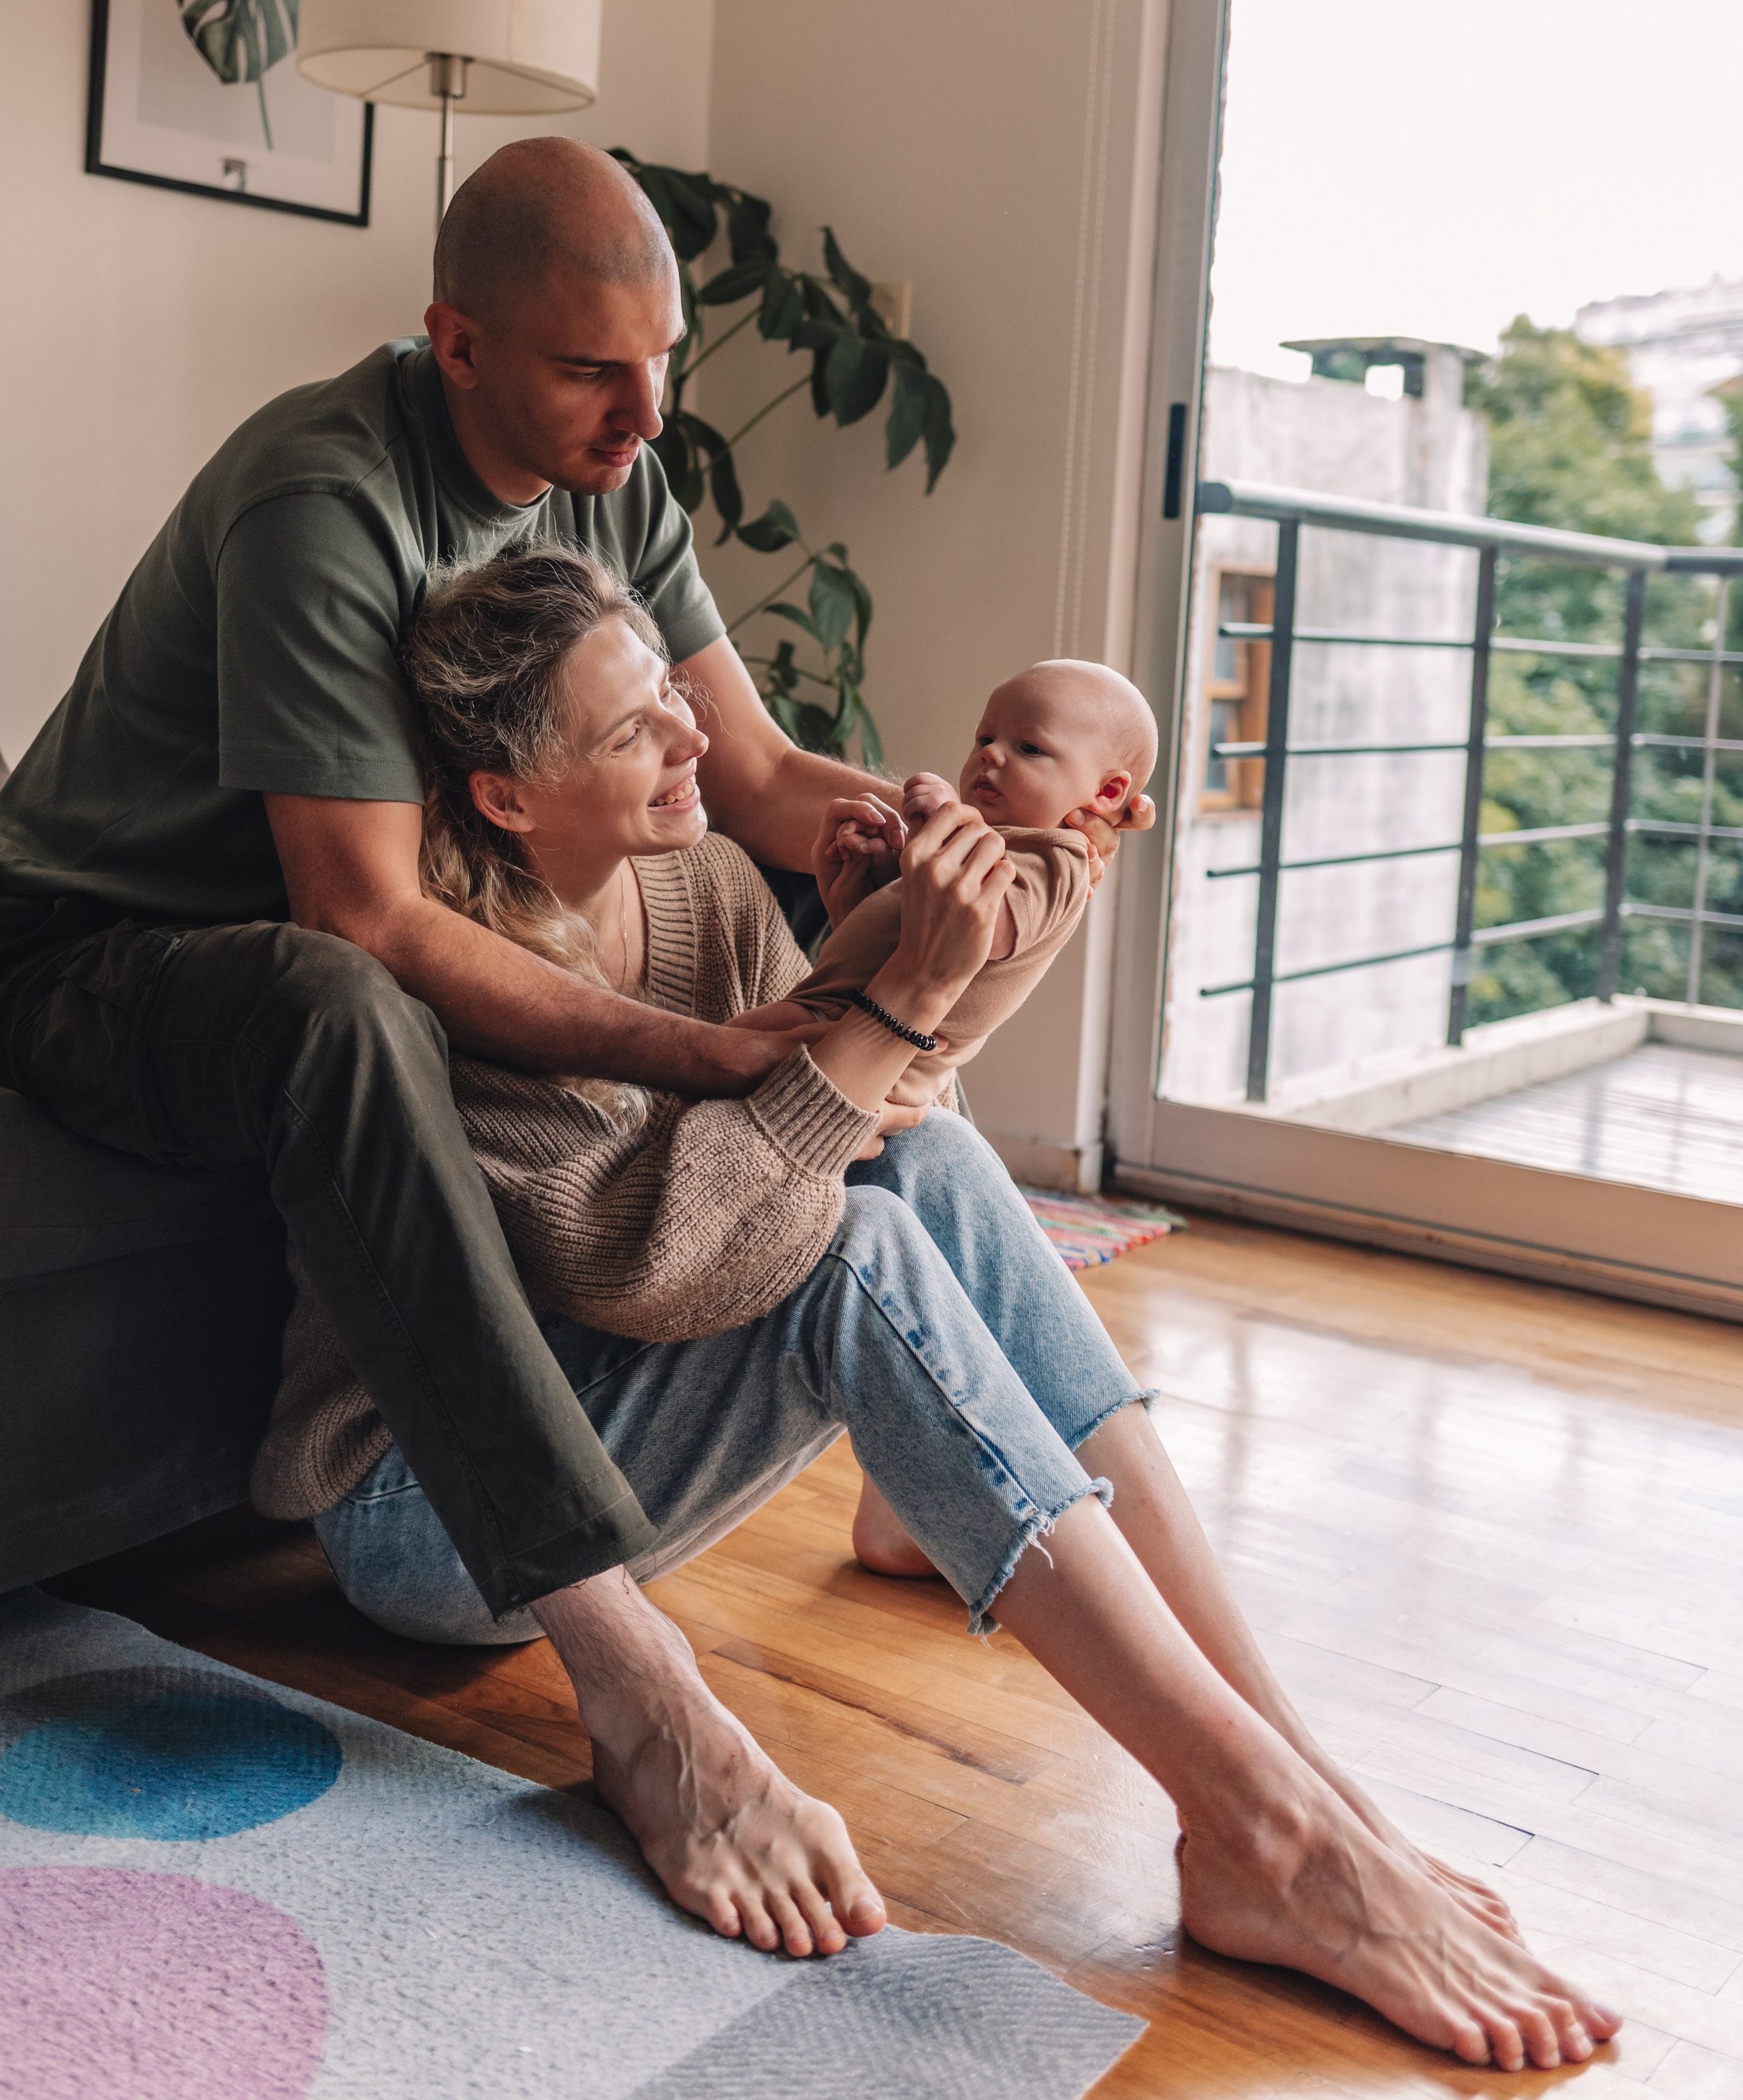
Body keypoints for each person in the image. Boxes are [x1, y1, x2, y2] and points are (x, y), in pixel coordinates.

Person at [0, 136, 1148, 1979]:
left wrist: (943, 847)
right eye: (590, 373)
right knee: (338, 1003)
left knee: (900, 1152)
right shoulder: (330, 496)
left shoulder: (608, 481)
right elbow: (363, 915)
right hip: (88, 952)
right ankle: (639, 1695)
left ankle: (1224, 1704)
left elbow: (759, 778)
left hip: (294, 949)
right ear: (455, 344)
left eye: (664, 363)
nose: (643, 418)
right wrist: (721, 1058)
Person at [283, 539, 1617, 2075]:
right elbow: (655, 1268)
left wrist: (871, 956)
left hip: (615, 1406)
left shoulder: (698, 880)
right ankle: (1267, 1827)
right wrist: (893, 997)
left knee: (934, 1178)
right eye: (636, 729)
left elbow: (894, 1128)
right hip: (440, 1516)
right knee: (853, 1261)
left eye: (673, 697)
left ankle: (1287, 1777)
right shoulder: (443, 1000)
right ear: (507, 796)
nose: (697, 738)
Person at [790, 656, 1160, 1107]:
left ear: (1107, 793)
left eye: (1030, 749)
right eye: (986, 738)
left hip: (880, 1050)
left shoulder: (1059, 858)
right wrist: (882, 872)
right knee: (723, 1056)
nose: (990, 753)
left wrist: (949, 823)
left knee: (727, 1056)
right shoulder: (999, 844)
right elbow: (921, 919)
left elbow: (977, 926)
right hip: (851, 1018)